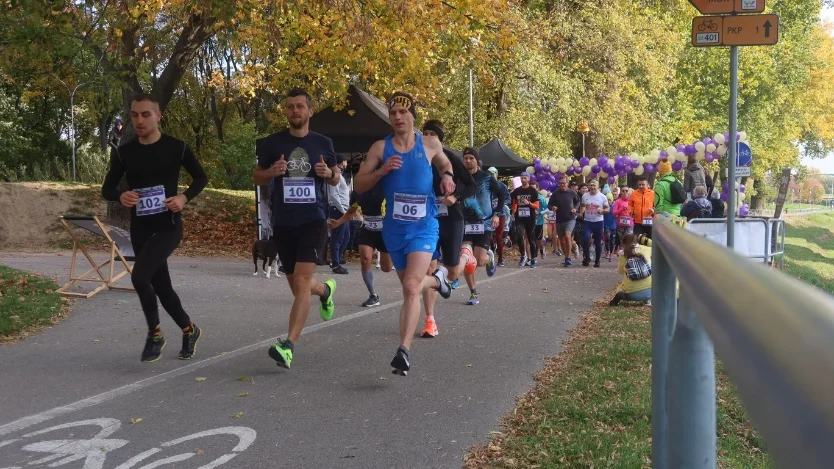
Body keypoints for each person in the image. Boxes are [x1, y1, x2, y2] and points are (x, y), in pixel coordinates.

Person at [353, 91, 455, 376]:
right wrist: (382, 171)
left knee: (411, 287)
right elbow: (359, 185)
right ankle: (437, 281)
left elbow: (445, 163)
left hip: (424, 226)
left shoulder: (430, 143)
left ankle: (404, 351)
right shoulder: (379, 148)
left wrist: (446, 176)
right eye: (393, 113)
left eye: (403, 112)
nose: (398, 117)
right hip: (394, 230)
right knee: (412, 285)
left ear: (413, 116)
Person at [101, 93, 208, 363]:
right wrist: (120, 196)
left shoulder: (177, 148)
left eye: (145, 114)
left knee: (139, 277)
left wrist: (183, 198)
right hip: (141, 228)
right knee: (161, 287)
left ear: (158, 116)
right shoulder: (124, 153)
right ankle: (189, 329)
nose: (139, 120)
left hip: (168, 226)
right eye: (135, 115)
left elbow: (201, 177)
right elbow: (107, 189)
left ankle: (155, 334)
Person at [253, 88, 341, 369]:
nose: (295, 111)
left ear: (310, 111)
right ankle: (325, 292)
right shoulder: (271, 143)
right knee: (297, 285)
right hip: (283, 222)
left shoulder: (324, 143)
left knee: (301, 282)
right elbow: (257, 175)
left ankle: (288, 346)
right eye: (290, 106)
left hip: (314, 221)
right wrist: (270, 173)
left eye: (300, 106)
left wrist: (330, 175)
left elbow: (336, 177)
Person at [421, 120, 475, 337]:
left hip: (452, 219)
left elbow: (471, 185)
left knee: (452, 272)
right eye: (425, 132)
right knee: (429, 269)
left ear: (440, 138)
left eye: (433, 133)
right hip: (428, 221)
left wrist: (454, 197)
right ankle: (430, 320)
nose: (428, 136)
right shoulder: (417, 157)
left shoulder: (450, 158)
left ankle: (466, 256)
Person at [329, 186, 393, 307]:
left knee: (386, 268)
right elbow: (350, 212)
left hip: (385, 232)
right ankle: (373, 295)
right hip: (367, 230)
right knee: (365, 258)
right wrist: (338, 222)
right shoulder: (359, 190)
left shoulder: (386, 186)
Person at [459, 149, 505, 304]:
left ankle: (489, 257)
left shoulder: (486, 177)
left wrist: (497, 214)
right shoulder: (459, 177)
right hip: (465, 223)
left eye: (471, 158)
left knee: (479, 260)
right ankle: (473, 293)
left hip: (483, 223)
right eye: (465, 158)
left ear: (477, 161)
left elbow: (502, 194)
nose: (468, 161)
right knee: (466, 258)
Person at [609, 233, 652, 306]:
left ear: (624, 243)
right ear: (637, 241)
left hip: (631, 294)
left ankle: (621, 296)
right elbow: (657, 245)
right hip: (651, 292)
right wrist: (643, 239)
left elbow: (620, 271)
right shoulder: (646, 249)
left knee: (622, 288)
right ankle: (646, 300)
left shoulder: (623, 254)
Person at [548, 177, 580, 267]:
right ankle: (566, 257)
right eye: (561, 183)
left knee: (567, 235)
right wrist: (552, 207)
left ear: (567, 183)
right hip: (559, 219)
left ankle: (569, 257)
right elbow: (549, 204)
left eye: (564, 183)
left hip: (570, 218)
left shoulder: (572, 192)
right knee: (562, 240)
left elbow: (578, 201)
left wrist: (575, 209)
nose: (562, 185)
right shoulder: (556, 193)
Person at [327, 153, 351, 274]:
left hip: (343, 210)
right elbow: (334, 195)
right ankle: (335, 264)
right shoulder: (335, 176)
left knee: (346, 236)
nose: (347, 164)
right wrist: (343, 210)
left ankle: (336, 259)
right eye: (346, 161)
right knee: (337, 237)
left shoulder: (340, 176)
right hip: (338, 210)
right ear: (341, 162)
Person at [511, 172, 540, 267]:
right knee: (520, 235)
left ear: (528, 179)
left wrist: (529, 203)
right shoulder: (517, 191)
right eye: (522, 178)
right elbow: (514, 202)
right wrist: (513, 213)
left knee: (531, 238)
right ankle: (523, 255)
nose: (523, 180)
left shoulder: (533, 191)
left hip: (530, 217)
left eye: (525, 178)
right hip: (520, 217)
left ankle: (534, 259)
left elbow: (536, 205)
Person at [579, 180, 609, 267]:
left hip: (598, 222)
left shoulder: (602, 197)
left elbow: (607, 209)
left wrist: (602, 211)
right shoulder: (585, 195)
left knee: (597, 242)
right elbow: (583, 205)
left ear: (597, 186)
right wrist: (581, 213)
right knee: (585, 239)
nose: (592, 187)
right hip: (587, 221)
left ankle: (597, 260)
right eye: (591, 185)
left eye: (594, 185)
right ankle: (587, 257)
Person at [488, 167, 511, 266]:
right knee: (488, 237)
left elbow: (508, 199)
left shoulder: (501, 186)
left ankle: (500, 258)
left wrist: (500, 204)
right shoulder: (485, 186)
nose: (491, 175)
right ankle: (491, 251)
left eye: (493, 173)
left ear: (496, 175)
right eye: (489, 173)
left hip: (500, 214)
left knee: (499, 237)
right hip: (488, 215)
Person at [534, 187, 548, 261]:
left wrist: (540, 213)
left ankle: (542, 248)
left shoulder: (541, 198)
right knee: (530, 239)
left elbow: (548, 208)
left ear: (537, 189)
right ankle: (533, 257)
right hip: (529, 221)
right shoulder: (526, 197)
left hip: (539, 221)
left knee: (538, 239)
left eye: (534, 188)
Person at [603, 191, 617, 261]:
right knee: (607, 238)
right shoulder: (604, 208)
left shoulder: (614, 207)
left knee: (612, 240)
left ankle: (611, 253)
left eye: (610, 200)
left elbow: (617, 215)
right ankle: (607, 252)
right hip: (606, 225)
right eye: (607, 200)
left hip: (614, 226)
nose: (609, 201)